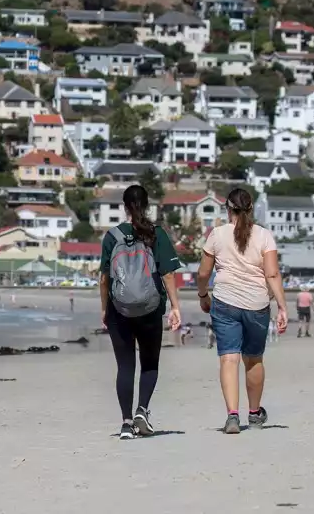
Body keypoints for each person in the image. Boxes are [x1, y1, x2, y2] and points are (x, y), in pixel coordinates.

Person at [197, 188, 288, 435]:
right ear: (250, 209)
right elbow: (272, 274)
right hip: (257, 304)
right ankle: (255, 413)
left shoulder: (216, 234)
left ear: (228, 209)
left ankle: (233, 416)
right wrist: (281, 306)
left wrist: (203, 295)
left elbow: (204, 273)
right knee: (254, 358)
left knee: (229, 357)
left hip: (225, 301)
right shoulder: (264, 236)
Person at [100, 184, 182, 440]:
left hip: (119, 310)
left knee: (125, 367)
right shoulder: (157, 234)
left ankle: (126, 423)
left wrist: (104, 309)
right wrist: (176, 306)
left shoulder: (112, 236)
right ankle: (142, 410)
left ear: (124, 207)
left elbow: (104, 279)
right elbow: (167, 274)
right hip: (150, 308)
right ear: (147, 206)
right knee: (149, 364)